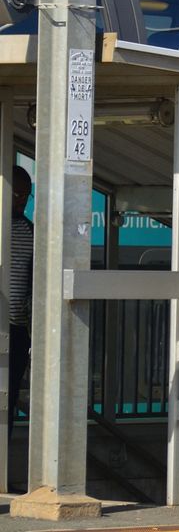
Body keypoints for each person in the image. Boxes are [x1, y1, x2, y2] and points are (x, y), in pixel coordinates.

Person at [7, 166, 33, 442]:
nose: (21, 200)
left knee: (10, 396)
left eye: (26, 195)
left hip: (16, 330)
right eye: (16, 193)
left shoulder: (29, 230)